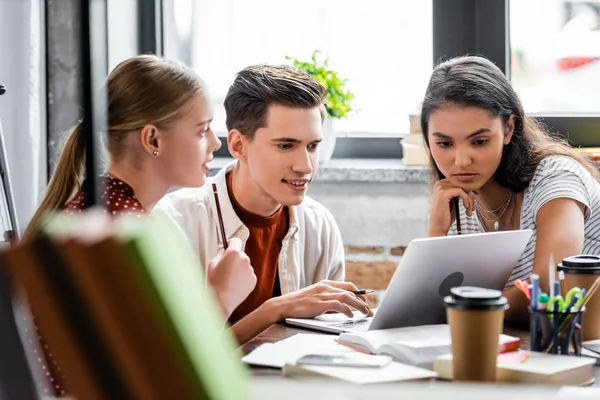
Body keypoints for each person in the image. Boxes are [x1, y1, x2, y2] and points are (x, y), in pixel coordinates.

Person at [25, 54, 255, 331]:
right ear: (152, 139)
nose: (213, 143)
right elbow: (162, 366)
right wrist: (220, 297)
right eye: (202, 130)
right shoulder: (124, 236)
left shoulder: (100, 208)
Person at [155, 64, 371, 345]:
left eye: (313, 146)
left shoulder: (320, 224)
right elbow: (176, 359)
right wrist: (274, 310)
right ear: (237, 145)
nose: (305, 166)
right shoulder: (174, 224)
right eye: (285, 146)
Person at [421, 55, 600, 322]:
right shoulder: (457, 197)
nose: (461, 161)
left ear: (508, 128)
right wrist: (437, 231)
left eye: (479, 141)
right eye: (445, 144)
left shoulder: (556, 178)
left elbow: (550, 290)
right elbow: (428, 304)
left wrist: (463, 309)